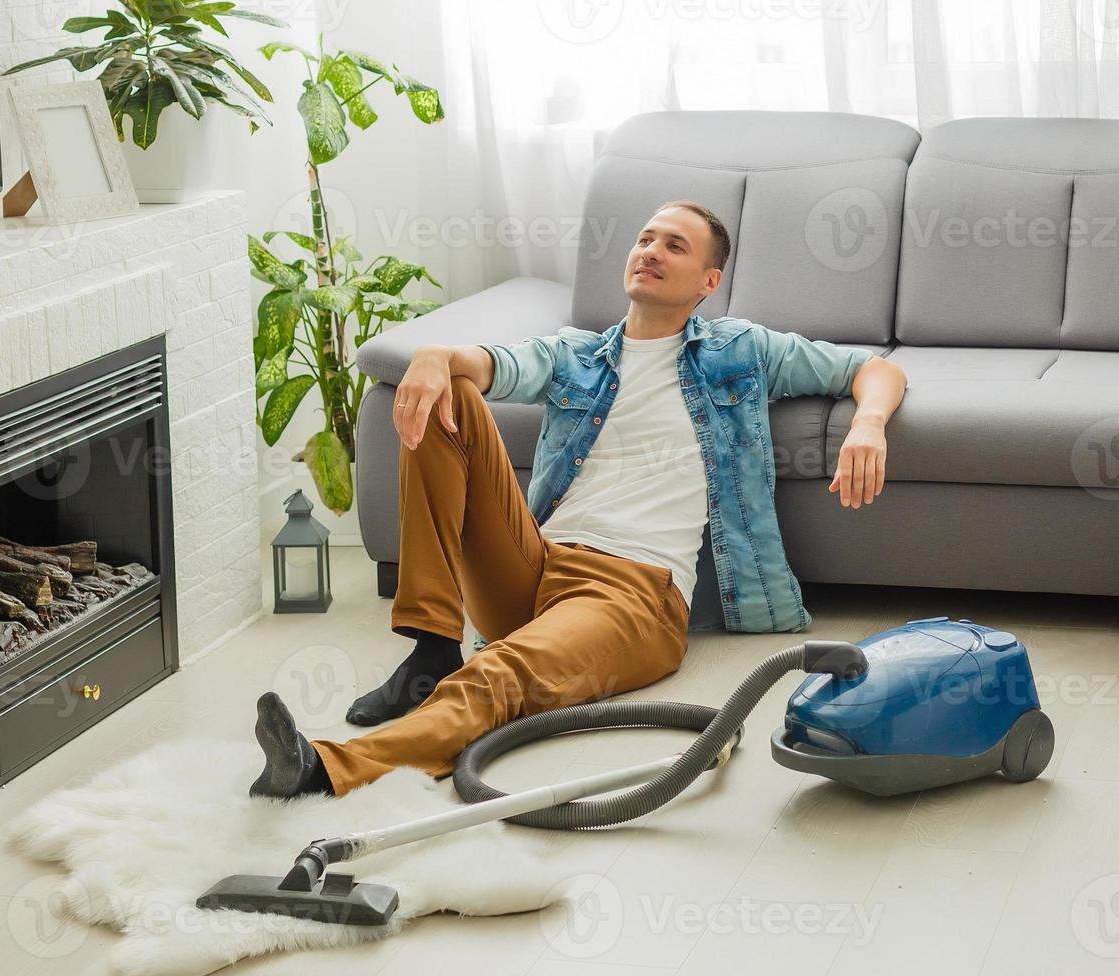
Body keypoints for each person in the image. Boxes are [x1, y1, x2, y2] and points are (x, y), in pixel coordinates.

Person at [249, 200, 909, 799]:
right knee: (449, 396)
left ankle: (325, 768)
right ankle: (429, 642)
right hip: (533, 565)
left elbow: (873, 369)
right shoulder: (577, 356)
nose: (650, 250)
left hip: (631, 595)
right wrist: (435, 356)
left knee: (502, 673)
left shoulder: (743, 351)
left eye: (675, 246)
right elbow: (487, 366)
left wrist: (869, 423)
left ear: (710, 282)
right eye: (645, 238)